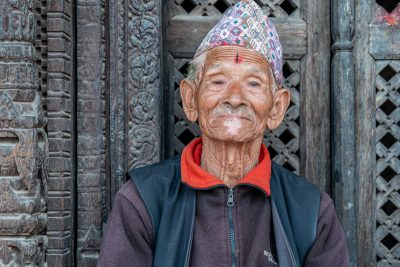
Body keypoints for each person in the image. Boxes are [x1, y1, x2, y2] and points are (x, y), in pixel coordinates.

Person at [97, 0, 350, 266]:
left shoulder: (311, 212)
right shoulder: (143, 200)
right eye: (218, 81)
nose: (234, 98)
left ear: (276, 107)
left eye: (253, 83)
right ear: (191, 99)